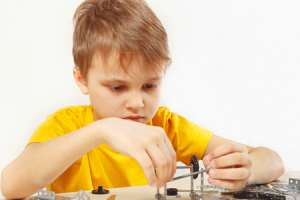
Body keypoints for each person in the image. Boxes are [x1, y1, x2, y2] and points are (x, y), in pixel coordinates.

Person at [1, 0, 285, 199]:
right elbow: (10, 185)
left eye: (149, 85)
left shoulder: (166, 125)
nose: (137, 102)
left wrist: (245, 171)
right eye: (117, 87)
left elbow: (273, 161)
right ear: (81, 79)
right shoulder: (68, 126)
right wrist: (102, 130)